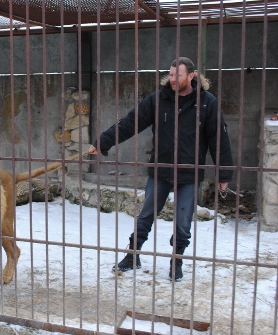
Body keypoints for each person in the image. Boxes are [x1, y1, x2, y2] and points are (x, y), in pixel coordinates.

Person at [88, 57, 233, 281]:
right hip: (161, 171)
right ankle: (132, 254)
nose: (173, 79)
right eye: (171, 74)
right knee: (146, 215)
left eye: (178, 75)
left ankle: (177, 260)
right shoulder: (159, 99)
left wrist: (224, 174)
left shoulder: (207, 103)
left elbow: (219, 140)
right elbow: (130, 122)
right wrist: (102, 142)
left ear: (191, 77)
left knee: (183, 222)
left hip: (190, 174)